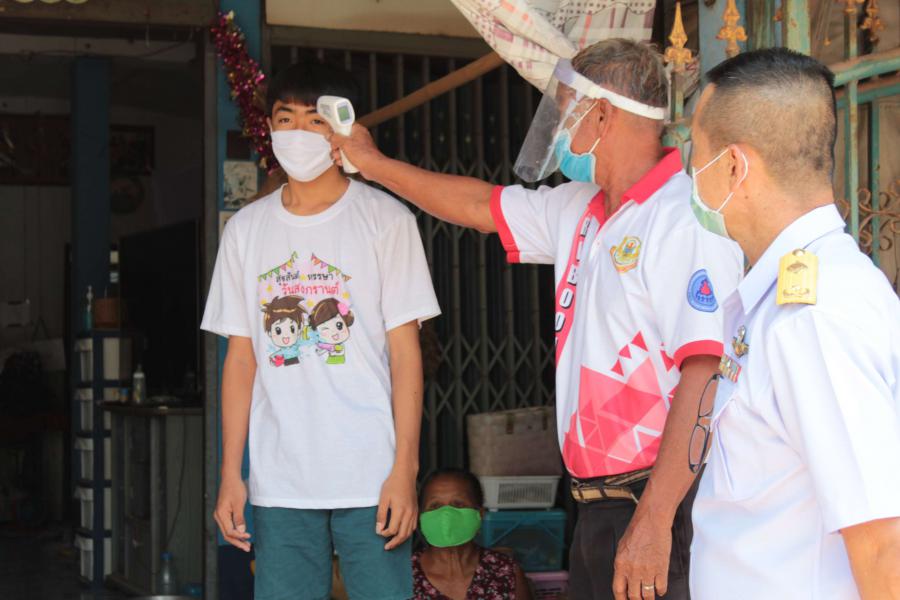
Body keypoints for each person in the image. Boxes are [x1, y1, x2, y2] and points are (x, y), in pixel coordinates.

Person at [333, 39, 744, 600]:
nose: (559, 128)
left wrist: (654, 519)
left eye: (568, 110)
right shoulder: (578, 207)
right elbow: (479, 206)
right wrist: (374, 165)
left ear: (602, 114)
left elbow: (704, 372)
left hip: (659, 504)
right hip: (595, 507)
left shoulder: (682, 220)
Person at [202, 62, 441, 599]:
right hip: (280, 480)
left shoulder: (387, 220)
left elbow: (406, 356)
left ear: (342, 126)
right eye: (285, 118)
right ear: (269, 127)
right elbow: (241, 359)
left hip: (371, 475)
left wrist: (405, 470)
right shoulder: (245, 230)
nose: (297, 132)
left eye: (315, 119)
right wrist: (231, 473)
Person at [687, 48, 900, 599]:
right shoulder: (797, 296)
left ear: (734, 166)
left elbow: (883, 545)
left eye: (697, 153)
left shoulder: (812, 318)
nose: (691, 173)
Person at [414, 469, 532, 599]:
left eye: (458, 504)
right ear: (420, 516)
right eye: (435, 506)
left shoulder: (506, 572)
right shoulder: (404, 576)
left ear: (480, 514)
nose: (446, 515)